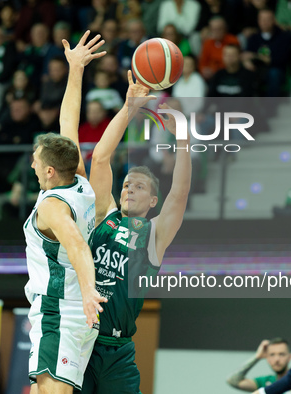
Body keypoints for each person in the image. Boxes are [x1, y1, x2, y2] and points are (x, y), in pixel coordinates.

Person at [62, 47, 191, 394]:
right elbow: (100, 161)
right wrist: (130, 108)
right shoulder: (102, 214)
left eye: (140, 185)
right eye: (128, 183)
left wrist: (183, 140)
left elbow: (178, 195)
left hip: (119, 352)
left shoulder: (155, 234)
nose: (130, 186)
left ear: (152, 201)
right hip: (82, 339)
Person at [24, 30, 107, 394]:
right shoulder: (80, 180)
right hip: (72, 308)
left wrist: (89, 291)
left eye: (36, 161)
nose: (32, 165)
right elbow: (68, 123)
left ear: (49, 171)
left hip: (61, 309)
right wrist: (76, 69)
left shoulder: (54, 206)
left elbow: (76, 245)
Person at [227, 338, 291, 393]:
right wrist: (257, 357)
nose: (277, 359)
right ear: (267, 358)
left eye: (281, 354)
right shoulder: (265, 382)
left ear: (289, 357)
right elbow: (233, 381)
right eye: (272, 355)